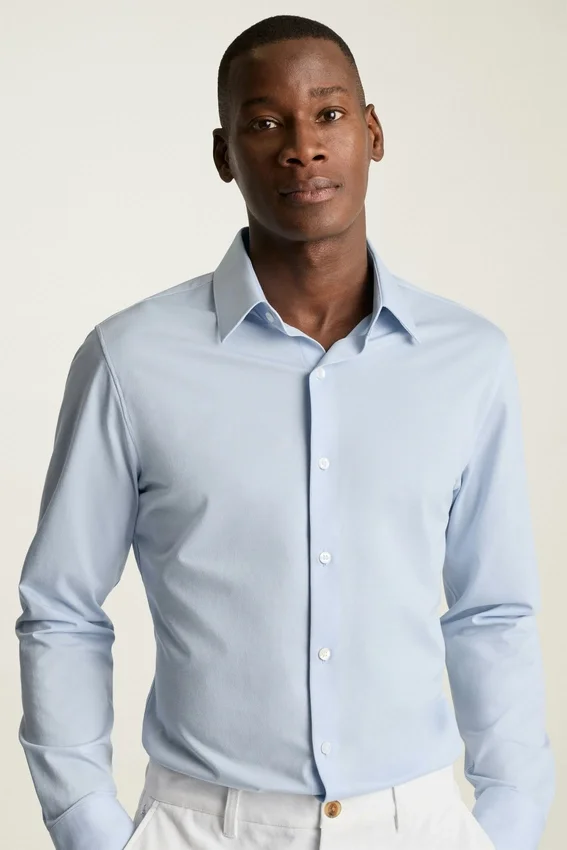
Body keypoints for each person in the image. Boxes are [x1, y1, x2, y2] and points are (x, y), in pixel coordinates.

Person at [15, 13, 554, 850]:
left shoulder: (468, 359)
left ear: (372, 133)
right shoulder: (130, 360)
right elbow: (62, 609)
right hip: (203, 826)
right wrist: (87, 824)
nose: (302, 147)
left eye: (328, 115)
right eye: (265, 124)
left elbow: (490, 611)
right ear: (224, 153)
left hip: (416, 825)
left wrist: (510, 821)